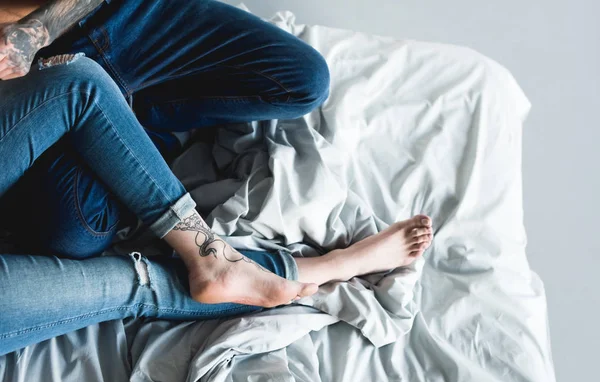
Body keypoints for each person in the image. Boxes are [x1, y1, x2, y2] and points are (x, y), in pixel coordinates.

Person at [0, 1, 433, 356]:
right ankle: (330, 266)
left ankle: (115, 121)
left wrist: (31, 33)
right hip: (45, 85)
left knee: (301, 81)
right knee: (96, 251)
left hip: (86, 26)